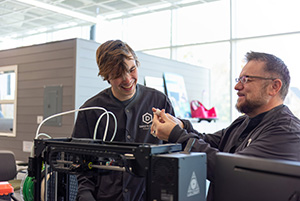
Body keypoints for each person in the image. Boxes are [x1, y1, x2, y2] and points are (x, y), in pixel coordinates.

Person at [150, 51, 300, 201]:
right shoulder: (244, 122)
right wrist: (182, 125)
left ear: (274, 87)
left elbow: (232, 173)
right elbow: (206, 141)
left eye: (246, 79)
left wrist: (176, 134)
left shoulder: (286, 132)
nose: (237, 86)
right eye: (239, 79)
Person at [72, 39, 174, 201]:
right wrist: (85, 193)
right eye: (118, 75)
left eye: (132, 70)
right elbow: (80, 163)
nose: (127, 79)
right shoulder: (91, 111)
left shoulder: (158, 102)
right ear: (106, 76)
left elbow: (174, 153)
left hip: (150, 195)